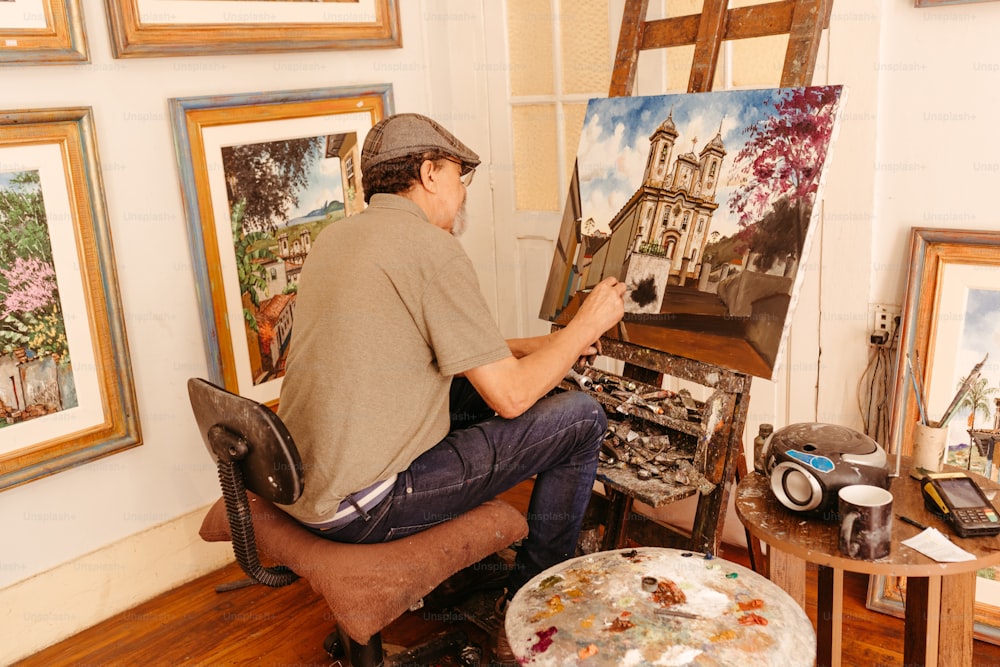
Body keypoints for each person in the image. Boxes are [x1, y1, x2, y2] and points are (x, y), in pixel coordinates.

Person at [276, 112, 626, 661]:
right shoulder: (432, 249)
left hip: (303, 482)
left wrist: (537, 347)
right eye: (461, 177)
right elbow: (509, 397)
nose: (463, 193)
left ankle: (473, 577)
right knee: (580, 417)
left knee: (491, 391)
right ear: (429, 171)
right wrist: (587, 323)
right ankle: (532, 606)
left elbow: (430, 342)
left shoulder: (336, 238)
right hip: (364, 507)